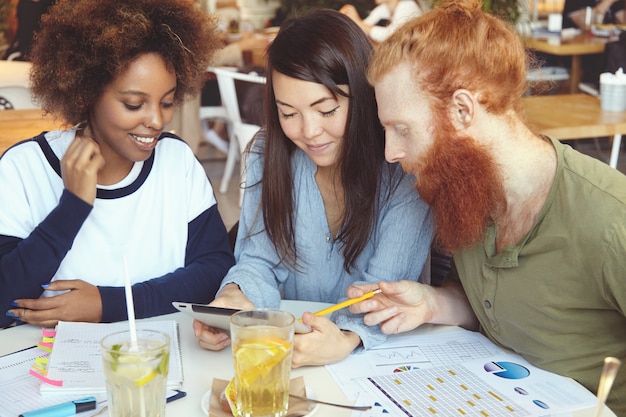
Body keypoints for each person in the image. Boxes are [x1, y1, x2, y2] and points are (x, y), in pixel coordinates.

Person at [348, 0, 626, 414]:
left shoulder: (609, 220)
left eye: (401, 129)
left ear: (462, 110)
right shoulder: (469, 190)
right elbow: (489, 302)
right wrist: (432, 303)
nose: (391, 153)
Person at [193, 9, 434, 367]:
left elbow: (385, 290)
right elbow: (259, 260)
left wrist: (347, 339)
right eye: (288, 113)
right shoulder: (267, 152)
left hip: (374, 362)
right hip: (286, 355)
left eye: (326, 110)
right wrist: (234, 298)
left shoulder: (402, 165)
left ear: (364, 97)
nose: (308, 131)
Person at [0, 0, 236, 329]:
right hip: (47, 369)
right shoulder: (23, 169)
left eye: (167, 102)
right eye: (133, 103)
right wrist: (73, 207)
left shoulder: (176, 161)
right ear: (86, 93)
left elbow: (215, 269)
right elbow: (3, 302)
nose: (157, 120)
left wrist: (109, 303)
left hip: (158, 364)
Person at [340, 0, 422, 43]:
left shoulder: (407, 5)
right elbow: (363, 28)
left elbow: (392, 35)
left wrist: (358, 22)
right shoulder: (384, 8)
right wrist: (345, 17)